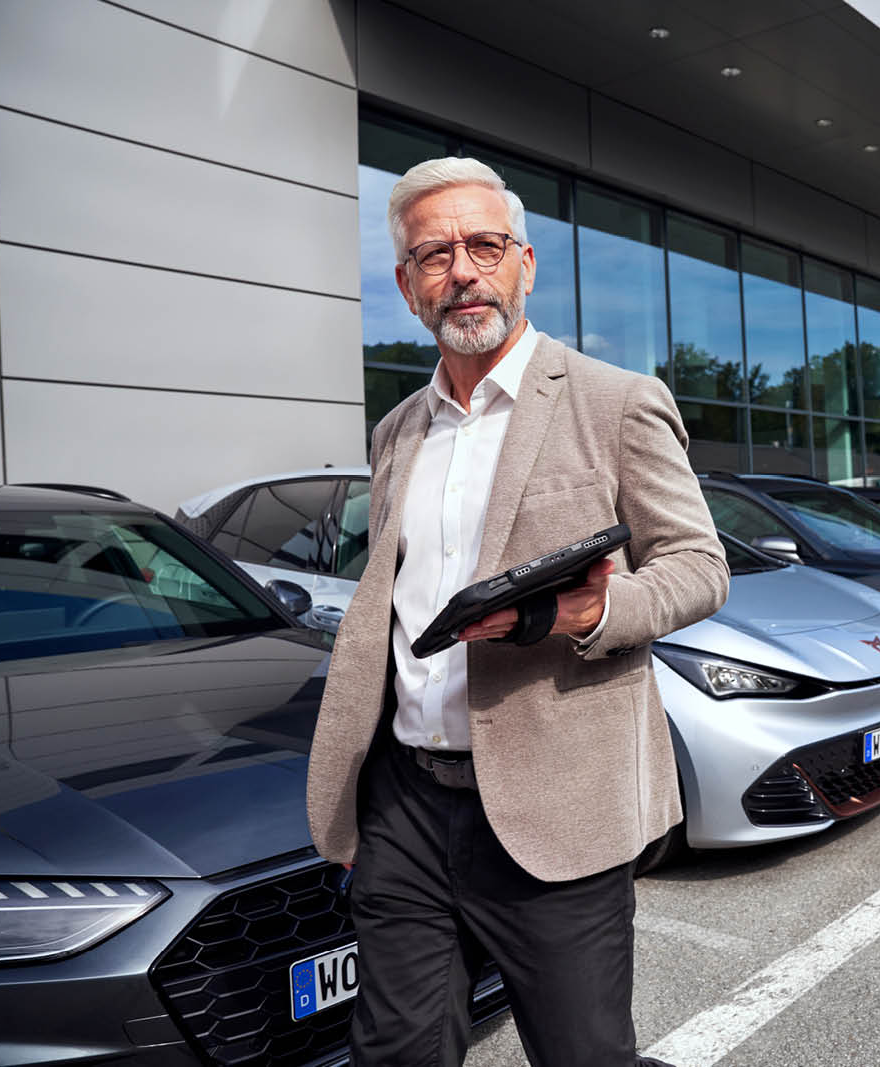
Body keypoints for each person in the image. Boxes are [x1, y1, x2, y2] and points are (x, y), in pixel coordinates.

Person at [306, 156, 728, 1066]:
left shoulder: (615, 403)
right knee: (398, 1053)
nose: (462, 270)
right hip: (405, 802)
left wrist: (587, 613)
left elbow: (700, 567)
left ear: (524, 264)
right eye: (435, 254)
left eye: (484, 246)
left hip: (555, 808)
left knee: (584, 1054)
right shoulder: (396, 431)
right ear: (407, 286)